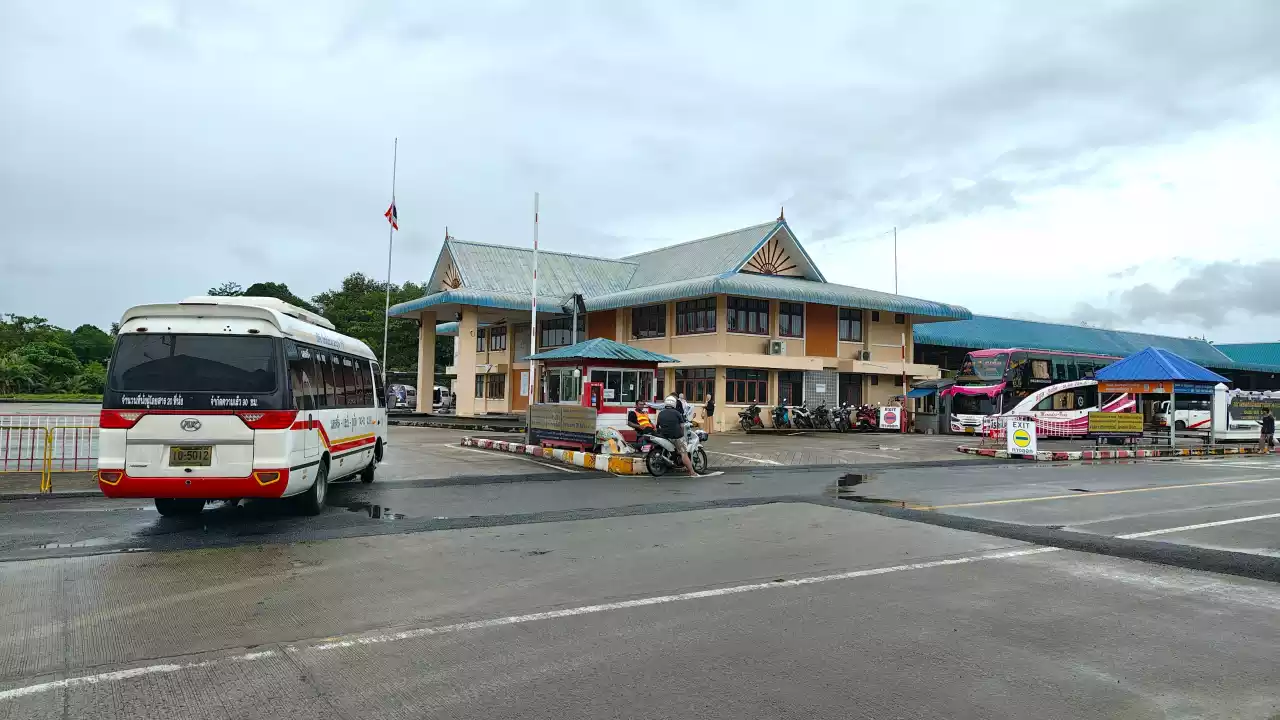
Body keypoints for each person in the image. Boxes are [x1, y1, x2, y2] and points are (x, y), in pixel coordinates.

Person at [656, 395, 697, 477]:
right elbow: (682, 426)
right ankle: (692, 472)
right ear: (674, 404)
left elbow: (658, 426)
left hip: (664, 436)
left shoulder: (660, 413)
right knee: (684, 453)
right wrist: (682, 435)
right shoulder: (677, 413)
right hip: (676, 436)